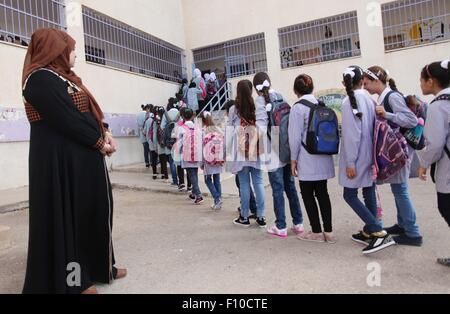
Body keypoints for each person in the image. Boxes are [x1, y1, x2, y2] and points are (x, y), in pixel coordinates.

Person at [21, 28, 126, 294]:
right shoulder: (39, 80)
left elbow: (86, 112)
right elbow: (67, 119)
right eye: (69, 49)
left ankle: (102, 268)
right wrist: (99, 142)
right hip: (62, 165)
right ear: (54, 51)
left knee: (94, 214)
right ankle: (74, 280)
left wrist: (105, 131)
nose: (74, 54)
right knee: (72, 219)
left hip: (82, 160)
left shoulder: (62, 77)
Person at [363, 66, 423, 247]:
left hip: (400, 152)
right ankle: (402, 225)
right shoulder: (386, 96)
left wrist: (386, 113)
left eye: (366, 83)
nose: (365, 87)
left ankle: (413, 233)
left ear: (376, 81)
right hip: (397, 152)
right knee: (399, 190)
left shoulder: (392, 97)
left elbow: (411, 120)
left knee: (401, 191)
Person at [340, 66, 396, 254]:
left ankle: (378, 231)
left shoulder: (349, 102)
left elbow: (351, 135)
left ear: (344, 82)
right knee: (368, 190)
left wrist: (350, 163)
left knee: (349, 194)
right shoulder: (368, 99)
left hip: (356, 156)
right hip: (370, 153)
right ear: (361, 80)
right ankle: (372, 231)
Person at [253, 72, 304, 239]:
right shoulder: (279, 95)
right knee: (290, 186)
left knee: (277, 189)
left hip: (272, 150)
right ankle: (298, 223)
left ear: (256, 88)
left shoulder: (260, 101)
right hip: (286, 146)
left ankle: (280, 226)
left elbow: (261, 129)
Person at [289, 74, 336, 243]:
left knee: (307, 194)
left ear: (295, 90)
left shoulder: (297, 108)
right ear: (312, 88)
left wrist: (293, 160)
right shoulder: (320, 104)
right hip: (323, 155)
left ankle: (316, 231)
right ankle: (329, 232)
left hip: (306, 157)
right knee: (323, 193)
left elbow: (294, 137)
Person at [418, 60, 450, 267]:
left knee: (446, 208)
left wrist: (424, 163)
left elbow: (435, 143)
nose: (420, 84)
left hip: (448, 172)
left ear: (431, 81)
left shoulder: (439, 106)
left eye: (422, 80)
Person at [228, 80, 268, 228]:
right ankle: (261, 216)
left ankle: (244, 217)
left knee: (244, 184)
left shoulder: (234, 109)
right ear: (251, 90)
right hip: (255, 149)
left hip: (240, 151)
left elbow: (230, 131)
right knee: (258, 182)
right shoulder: (257, 106)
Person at [179, 108, 204, 204]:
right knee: (194, 174)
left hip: (187, 154)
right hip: (197, 154)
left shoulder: (181, 128)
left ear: (183, 116)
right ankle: (194, 193)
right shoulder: (197, 127)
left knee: (191, 175)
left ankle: (199, 195)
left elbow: (179, 142)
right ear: (193, 116)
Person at [201, 111, 224, 210]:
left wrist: (201, 162)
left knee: (207, 180)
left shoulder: (203, 131)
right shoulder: (218, 129)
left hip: (208, 160)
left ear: (203, 121)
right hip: (218, 158)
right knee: (217, 179)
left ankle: (217, 198)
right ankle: (218, 201)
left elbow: (201, 148)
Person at [161, 100, 180, 187]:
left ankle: (175, 181)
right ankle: (182, 182)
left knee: (172, 162)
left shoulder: (166, 114)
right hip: (179, 140)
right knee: (179, 161)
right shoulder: (180, 113)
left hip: (169, 142)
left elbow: (161, 127)